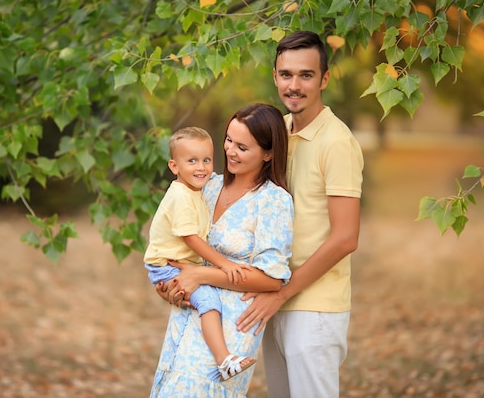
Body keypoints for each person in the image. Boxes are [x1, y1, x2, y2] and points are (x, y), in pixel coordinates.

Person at [162, 31, 364, 397]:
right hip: (263, 300)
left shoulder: (337, 142)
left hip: (312, 304)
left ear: (325, 78)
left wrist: (281, 293)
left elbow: (346, 237)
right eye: (286, 74)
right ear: (275, 76)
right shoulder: (275, 132)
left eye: (306, 75)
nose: (295, 85)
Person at [149, 103, 293, 398]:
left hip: (232, 326)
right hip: (189, 315)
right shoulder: (206, 186)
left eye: (243, 146)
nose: (230, 151)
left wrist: (201, 274)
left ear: (268, 153)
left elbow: (272, 279)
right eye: (228, 140)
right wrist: (169, 287)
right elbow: (176, 246)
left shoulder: (273, 201)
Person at [143, 126, 256, 381]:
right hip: (166, 266)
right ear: (174, 166)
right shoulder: (181, 196)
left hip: (174, 263)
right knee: (208, 301)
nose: (201, 167)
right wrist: (223, 265)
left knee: (204, 299)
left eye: (206, 160)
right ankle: (224, 360)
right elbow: (191, 238)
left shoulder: (195, 189)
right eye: (191, 161)